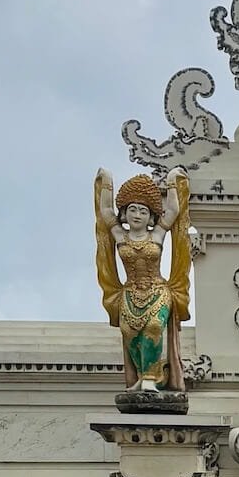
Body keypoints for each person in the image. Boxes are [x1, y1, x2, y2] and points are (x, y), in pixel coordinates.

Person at [94, 167, 191, 392]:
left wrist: (171, 181)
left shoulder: (157, 234)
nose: (137, 215)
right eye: (132, 210)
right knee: (129, 333)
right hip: (129, 293)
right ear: (124, 213)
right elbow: (105, 210)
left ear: (151, 217)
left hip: (158, 291)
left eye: (143, 211)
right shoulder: (120, 235)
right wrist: (106, 182)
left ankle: (150, 378)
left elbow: (173, 210)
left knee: (154, 327)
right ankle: (142, 374)